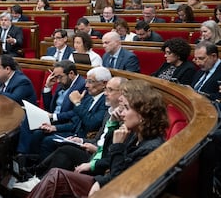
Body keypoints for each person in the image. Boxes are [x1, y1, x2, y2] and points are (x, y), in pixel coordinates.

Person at [26, 79, 168, 197]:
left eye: (125, 107)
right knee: (56, 174)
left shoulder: (150, 148)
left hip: (115, 191)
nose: (121, 112)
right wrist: (112, 125)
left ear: (143, 114)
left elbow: (120, 181)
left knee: (57, 175)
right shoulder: (134, 133)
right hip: (106, 182)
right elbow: (107, 159)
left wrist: (116, 148)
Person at [13, 76, 126, 192]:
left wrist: (95, 148)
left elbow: (92, 126)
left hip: (98, 157)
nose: (106, 93)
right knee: (56, 142)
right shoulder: (109, 111)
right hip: (88, 143)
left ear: (122, 94)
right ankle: (35, 174)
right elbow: (98, 138)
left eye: (110, 90)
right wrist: (81, 141)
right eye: (106, 89)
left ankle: (37, 177)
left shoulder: (120, 116)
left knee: (66, 150)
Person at [28, 66, 110, 161]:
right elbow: (75, 121)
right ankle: (31, 166)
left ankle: (40, 171)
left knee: (48, 141)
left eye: (91, 82)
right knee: (38, 133)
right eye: (86, 81)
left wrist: (77, 103)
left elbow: (91, 123)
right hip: (74, 133)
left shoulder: (106, 101)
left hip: (86, 139)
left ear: (104, 83)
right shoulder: (89, 98)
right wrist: (54, 128)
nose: (86, 85)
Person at [16, 60, 86, 155]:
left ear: (71, 74)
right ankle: (21, 156)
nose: (57, 81)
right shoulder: (63, 83)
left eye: (59, 77)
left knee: (38, 133)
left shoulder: (82, 86)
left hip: (66, 122)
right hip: (52, 118)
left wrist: (54, 116)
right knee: (26, 119)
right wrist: (48, 87)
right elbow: (49, 107)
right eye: (55, 77)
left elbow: (76, 112)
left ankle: (29, 160)